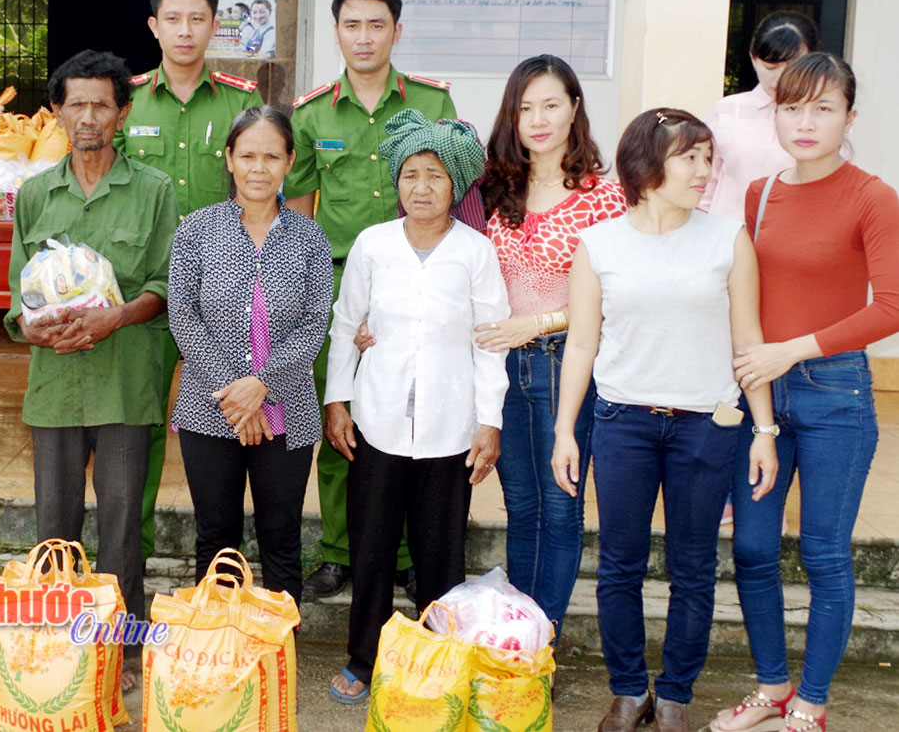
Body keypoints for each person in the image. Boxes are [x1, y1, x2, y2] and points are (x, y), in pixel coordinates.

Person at [551, 108, 778, 732]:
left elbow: (748, 339)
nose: (704, 171)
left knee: (693, 565)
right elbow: (581, 345)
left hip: (707, 425)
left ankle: (675, 692)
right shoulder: (601, 243)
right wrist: (565, 430)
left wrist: (764, 430)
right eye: (690, 158)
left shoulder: (727, 237)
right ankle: (627, 690)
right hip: (622, 422)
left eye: (709, 158)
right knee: (619, 563)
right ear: (647, 166)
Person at [710, 54, 899, 732]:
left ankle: (812, 704)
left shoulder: (871, 196)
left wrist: (791, 349)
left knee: (821, 551)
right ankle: (771, 689)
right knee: (753, 548)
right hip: (761, 398)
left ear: (849, 115)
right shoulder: (759, 192)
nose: (805, 121)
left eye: (822, 107)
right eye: (791, 107)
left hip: (834, 395)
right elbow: (744, 293)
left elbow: (891, 307)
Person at [5, 49, 179, 689]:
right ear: (55, 112)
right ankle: (56, 641)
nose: (87, 117)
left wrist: (118, 316)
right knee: (54, 522)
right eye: (74, 104)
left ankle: (125, 651)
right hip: (53, 385)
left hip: (125, 381)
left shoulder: (154, 191)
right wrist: (32, 325)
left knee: (121, 522)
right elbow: (17, 299)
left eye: (100, 104)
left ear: (122, 112)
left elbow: (165, 283)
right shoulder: (33, 194)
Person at [324, 108, 508, 704]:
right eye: (409, 174)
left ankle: (436, 663)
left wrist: (490, 422)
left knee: (439, 557)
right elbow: (345, 324)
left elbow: (490, 341)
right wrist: (338, 401)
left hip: (449, 429)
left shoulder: (475, 251)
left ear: (456, 185)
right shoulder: (373, 246)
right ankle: (364, 659)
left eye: (434, 175)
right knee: (372, 551)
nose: (420, 187)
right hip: (375, 423)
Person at [285, 0, 456, 600]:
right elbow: (299, 212)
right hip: (337, 283)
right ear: (336, 31)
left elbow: (452, 192)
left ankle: (406, 555)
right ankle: (339, 551)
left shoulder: (433, 105)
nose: (364, 37)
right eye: (351, 25)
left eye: (376, 25)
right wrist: (298, 291)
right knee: (342, 413)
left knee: (413, 412)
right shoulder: (311, 114)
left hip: (419, 279)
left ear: (396, 32)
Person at [475, 54, 627, 638]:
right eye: (525, 107)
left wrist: (539, 322)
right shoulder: (492, 191)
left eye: (551, 104)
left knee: (562, 505)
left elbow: (615, 296)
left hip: (570, 362)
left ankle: (547, 636)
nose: (537, 119)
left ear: (575, 109)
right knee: (521, 505)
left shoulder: (605, 198)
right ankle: (519, 637)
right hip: (502, 366)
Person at [117, 0, 263, 564]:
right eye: (172, 19)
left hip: (223, 293)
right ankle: (135, 552)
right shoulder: (126, 98)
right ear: (154, 26)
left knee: (230, 419)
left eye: (196, 19)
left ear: (213, 26)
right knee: (142, 423)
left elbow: (261, 184)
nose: (184, 30)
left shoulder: (240, 101)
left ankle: (225, 554)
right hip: (149, 289)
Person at [167, 106, 332, 603]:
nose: (259, 168)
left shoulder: (310, 237)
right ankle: (217, 651)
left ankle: (279, 655)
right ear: (229, 160)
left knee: (281, 539)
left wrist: (262, 387)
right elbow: (183, 316)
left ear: (290, 162)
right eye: (248, 156)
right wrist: (235, 395)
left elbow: (313, 322)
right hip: (208, 411)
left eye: (271, 156)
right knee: (216, 540)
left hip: (287, 410)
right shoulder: (197, 230)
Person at [700, 11, 817, 221]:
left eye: (792, 66)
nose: (780, 77)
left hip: (794, 238)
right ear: (753, 59)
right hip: (727, 238)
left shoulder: (823, 117)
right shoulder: (727, 110)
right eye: (770, 67)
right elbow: (703, 183)